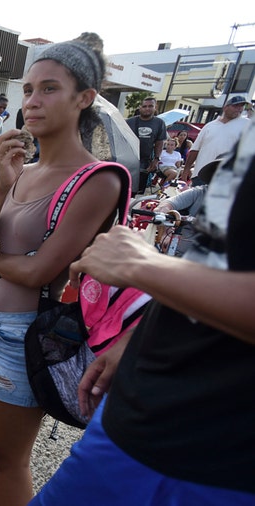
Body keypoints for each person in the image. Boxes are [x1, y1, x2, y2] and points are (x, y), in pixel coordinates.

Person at [0, 33, 123, 506]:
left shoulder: (97, 179)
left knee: (11, 456)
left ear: (85, 98)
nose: (32, 102)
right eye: (28, 90)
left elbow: (40, 270)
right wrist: (2, 186)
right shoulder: (25, 170)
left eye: (49, 89)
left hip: (28, 331)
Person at [30, 124, 255, 506]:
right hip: (144, 410)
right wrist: (137, 336)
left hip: (213, 452)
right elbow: (217, 266)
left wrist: (141, 265)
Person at [181, 95, 249, 182]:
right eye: (236, 106)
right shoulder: (210, 126)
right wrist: (186, 170)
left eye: (242, 106)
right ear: (225, 107)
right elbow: (195, 149)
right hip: (201, 174)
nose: (239, 109)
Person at [126, 96, 167, 195]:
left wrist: (156, 159)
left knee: (138, 192)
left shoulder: (159, 123)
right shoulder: (129, 122)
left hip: (145, 162)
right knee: (125, 189)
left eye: (150, 106)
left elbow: (159, 142)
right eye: (144, 106)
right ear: (140, 107)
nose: (147, 108)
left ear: (155, 107)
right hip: (128, 161)